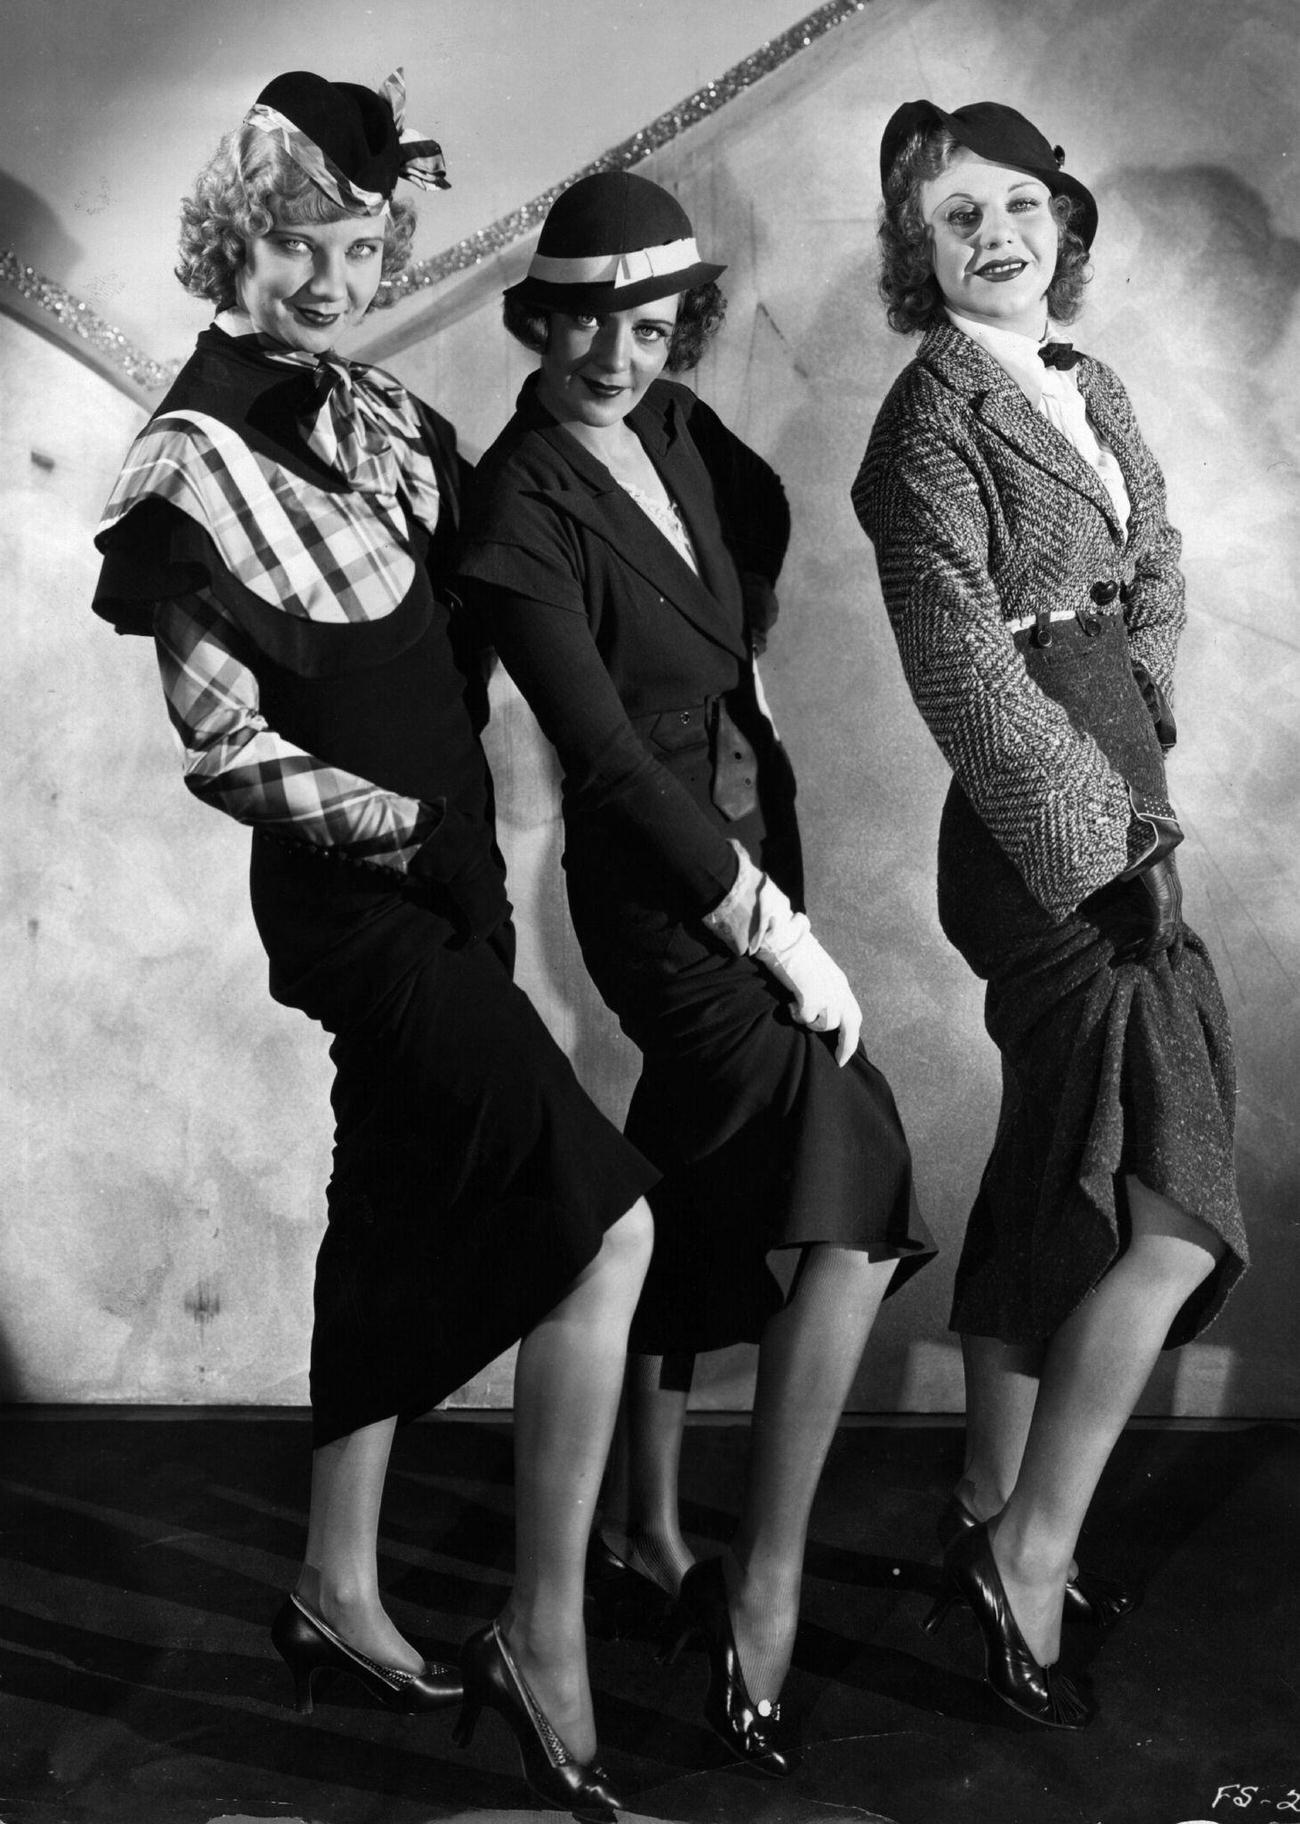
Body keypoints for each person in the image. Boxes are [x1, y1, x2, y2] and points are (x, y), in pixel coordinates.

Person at [91, 70, 658, 1820]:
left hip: (459, 880)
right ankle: (543, 1644)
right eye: (297, 246)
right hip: (359, 902)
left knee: (394, 1198)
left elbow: (497, 597)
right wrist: (406, 831)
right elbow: (222, 745)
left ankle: (334, 1587)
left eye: (358, 247)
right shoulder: (183, 461)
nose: (334, 280)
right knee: (607, 1220)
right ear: (230, 242)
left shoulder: (389, 412)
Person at [455, 170, 935, 1777]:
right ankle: (764, 1588)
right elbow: (600, 759)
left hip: (753, 834)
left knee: (697, 1176)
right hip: (665, 901)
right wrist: (774, 929)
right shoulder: (515, 504)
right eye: (588, 326)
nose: (618, 356)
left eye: (652, 328)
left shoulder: (675, 430)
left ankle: (647, 1530)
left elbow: (746, 551)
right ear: (540, 321)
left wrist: (738, 687)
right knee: (855, 1180)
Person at [853, 101, 1248, 1730]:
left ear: (1061, 223)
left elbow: (1157, 555)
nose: (997, 237)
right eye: (958, 218)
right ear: (918, 248)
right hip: (1041, 837)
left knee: (1056, 1167)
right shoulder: (923, 424)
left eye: (1019, 205)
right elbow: (961, 668)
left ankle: (983, 1499)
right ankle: (1029, 1550)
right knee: (1173, 1210)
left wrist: (1127, 691)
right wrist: (1103, 837)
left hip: (1114, 775)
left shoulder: (1089, 383)